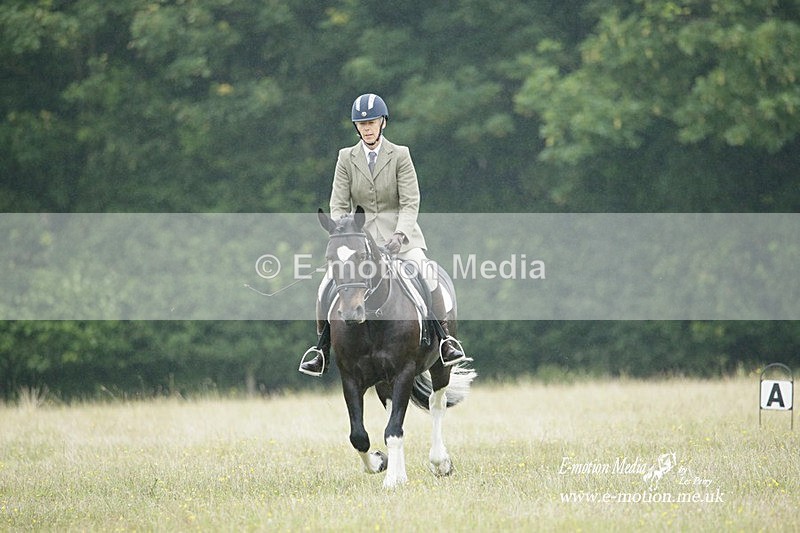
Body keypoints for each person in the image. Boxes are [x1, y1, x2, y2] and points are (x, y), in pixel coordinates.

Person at [299, 92, 466, 376]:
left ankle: (445, 340)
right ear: (356, 127)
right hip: (357, 242)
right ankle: (321, 350)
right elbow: (338, 204)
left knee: (427, 274)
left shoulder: (400, 154)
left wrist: (401, 235)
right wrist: (345, 232)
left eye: (372, 122)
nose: (367, 127)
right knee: (326, 283)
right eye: (361, 123)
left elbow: (410, 201)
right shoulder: (345, 158)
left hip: (401, 239)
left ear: (382, 123)